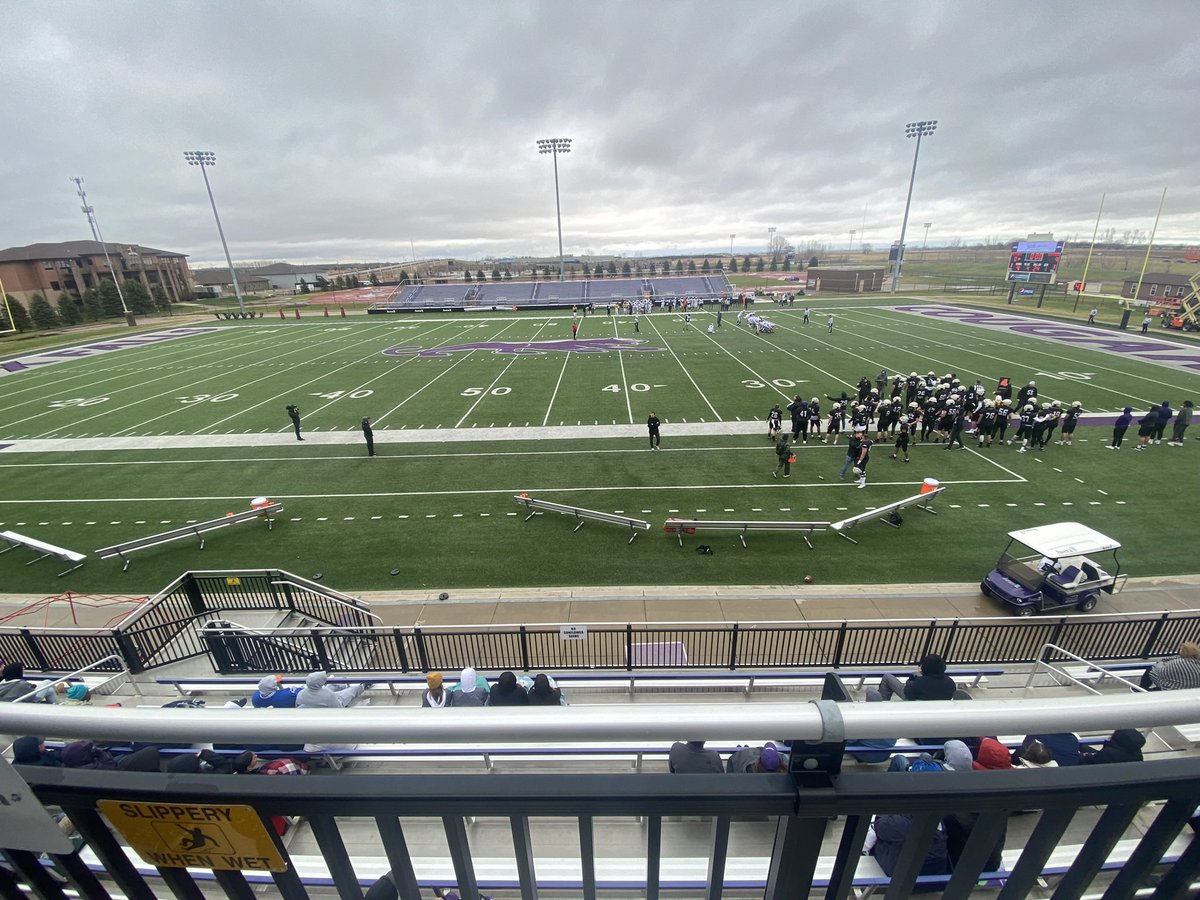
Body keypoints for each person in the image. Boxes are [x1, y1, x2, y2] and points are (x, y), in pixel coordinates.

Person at [878, 654, 957, 702]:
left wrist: (911, 680)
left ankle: (881, 705)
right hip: (937, 706)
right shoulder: (949, 682)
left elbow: (908, 694)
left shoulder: (920, 682)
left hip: (915, 701)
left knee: (887, 677)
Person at [848, 689, 898, 763]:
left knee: (841, 741)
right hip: (886, 754)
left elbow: (851, 739)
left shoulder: (864, 719)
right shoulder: (892, 715)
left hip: (869, 755)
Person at [296, 671, 370, 708]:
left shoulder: (301, 693)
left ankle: (343, 684)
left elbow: (297, 705)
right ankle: (362, 686)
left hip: (320, 704)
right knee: (350, 692)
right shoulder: (327, 694)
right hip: (332, 704)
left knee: (331, 686)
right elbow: (338, 707)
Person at [1081, 729, 1145, 765]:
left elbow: (1092, 760)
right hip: (1117, 770)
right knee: (1083, 747)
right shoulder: (1136, 753)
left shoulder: (1108, 753)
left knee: (1081, 749)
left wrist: (1086, 755)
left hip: (1101, 770)